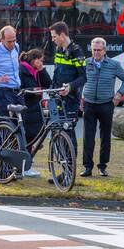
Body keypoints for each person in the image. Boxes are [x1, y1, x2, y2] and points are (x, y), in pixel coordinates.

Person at [80, 37, 124, 177]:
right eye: (94, 50)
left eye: (99, 50)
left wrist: (119, 94)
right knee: (88, 137)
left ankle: (102, 166)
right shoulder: (86, 63)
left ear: (104, 50)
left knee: (105, 137)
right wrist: (80, 97)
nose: (96, 52)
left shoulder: (114, 64)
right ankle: (87, 167)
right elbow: (79, 80)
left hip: (106, 104)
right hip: (89, 104)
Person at [49, 21, 86, 155]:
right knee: (55, 129)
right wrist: (51, 91)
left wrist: (70, 87)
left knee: (67, 131)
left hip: (71, 99)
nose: (52, 40)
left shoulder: (76, 51)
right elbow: (56, 73)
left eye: (54, 36)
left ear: (62, 35)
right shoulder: (58, 50)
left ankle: (70, 165)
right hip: (56, 97)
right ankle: (61, 163)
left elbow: (84, 77)